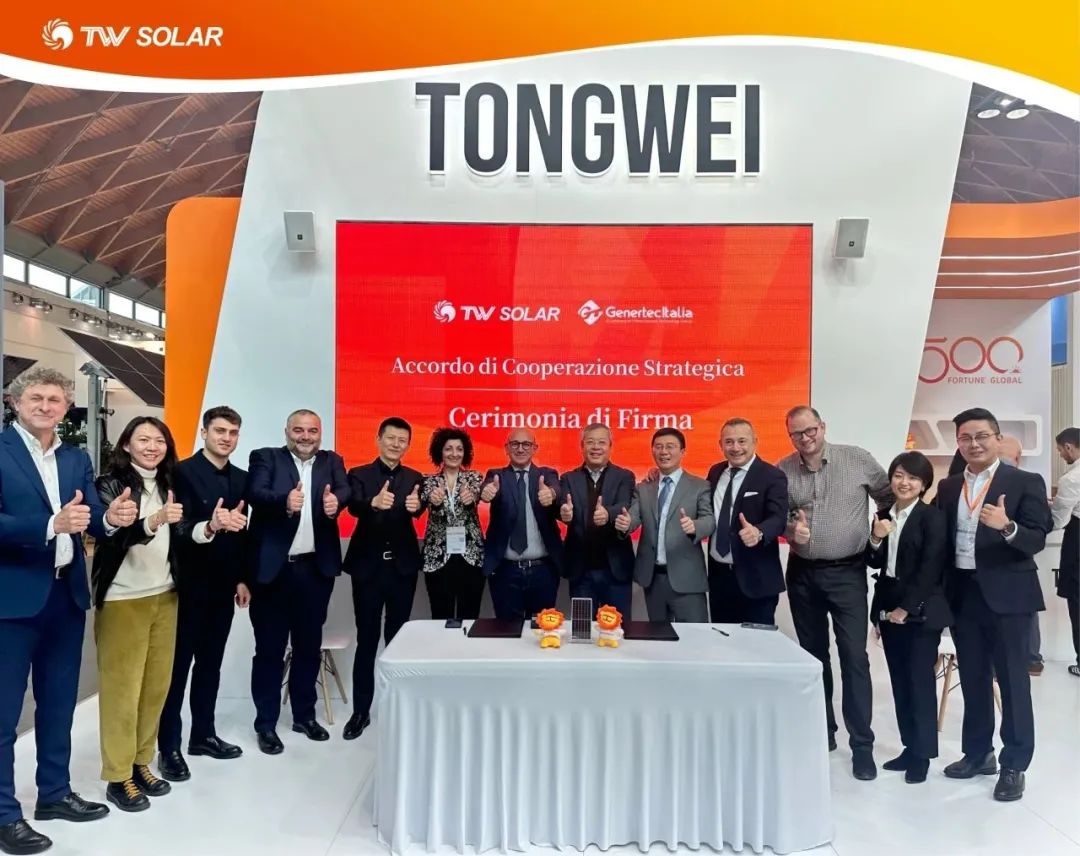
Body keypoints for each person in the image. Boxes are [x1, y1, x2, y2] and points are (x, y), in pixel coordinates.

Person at [0, 368, 135, 855]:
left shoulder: (75, 457)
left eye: (55, 399)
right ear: (15, 402)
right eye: (36, 397)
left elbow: (89, 518)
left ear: (65, 407)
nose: (46, 406)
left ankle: (54, 794)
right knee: (4, 713)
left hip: (66, 598)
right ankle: (4, 814)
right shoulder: (2, 450)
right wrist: (48, 525)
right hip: (12, 602)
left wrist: (111, 519)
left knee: (58, 705)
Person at [936, 407, 1052, 802]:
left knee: (1013, 682)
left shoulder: (1024, 482)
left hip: (1009, 597)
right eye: (966, 438)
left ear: (997, 439)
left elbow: (1036, 538)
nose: (974, 444)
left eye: (982, 436)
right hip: (963, 594)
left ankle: (1014, 764)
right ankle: (978, 753)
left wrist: (1007, 526)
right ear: (958, 443)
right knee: (973, 678)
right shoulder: (949, 487)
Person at [777, 405, 891, 781]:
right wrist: (790, 530)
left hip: (848, 574)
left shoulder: (856, 459)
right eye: (797, 434)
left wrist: (877, 534)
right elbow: (778, 516)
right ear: (790, 437)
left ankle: (862, 746)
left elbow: (888, 496)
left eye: (810, 430)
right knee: (814, 658)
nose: (805, 438)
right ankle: (822, 732)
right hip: (803, 573)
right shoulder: (783, 469)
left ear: (822, 426)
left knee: (854, 658)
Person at [92, 417, 184, 812]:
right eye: (142, 439)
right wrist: (153, 520)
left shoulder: (169, 483)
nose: (152, 446)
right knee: (122, 693)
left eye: (159, 440)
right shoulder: (110, 485)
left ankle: (140, 762)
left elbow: (180, 536)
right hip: (123, 600)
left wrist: (209, 527)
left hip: (165, 596)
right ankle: (118, 776)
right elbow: (117, 533)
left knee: (154, 689)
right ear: (127, 444)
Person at [246, 409, 349, 754]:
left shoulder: (332, 460)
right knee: (269, 651)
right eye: (299, 430)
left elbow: (345, 488)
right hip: (274, 573)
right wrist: (285, 502)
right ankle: (266, 724)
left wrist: (337, 501)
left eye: (312, 431)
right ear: (287, 431)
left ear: (321, 433)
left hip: (315, 571)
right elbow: (256, 493)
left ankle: (304, 716)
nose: (306, 437)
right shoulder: (266, 458)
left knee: (308, 648)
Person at [157, 406, 250, 782]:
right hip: (186, 586)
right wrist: (209, 526)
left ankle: (203, 736)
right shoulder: (179, 473)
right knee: (177, 669)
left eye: (233, 433)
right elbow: (176, 529)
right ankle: (169, 747)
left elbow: (243, 534)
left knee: (210, 665)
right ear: (204, 432)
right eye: (220, 431)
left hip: (224, 586)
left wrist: (242, 579)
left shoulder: (242, 479)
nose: (226, 438)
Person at [865, 451, 952, 784]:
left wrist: (907, 608)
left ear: (924, 484)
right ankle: (909, 747)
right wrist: (876, 536)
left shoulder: (932, 517)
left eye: (913, 478)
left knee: (919, 683)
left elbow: (931, 569)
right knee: (900, 682)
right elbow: (874, 562)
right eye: (899, 475)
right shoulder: (883, 515)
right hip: (888, 607)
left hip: (920, 612)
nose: (905, 482)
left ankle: (923, 755)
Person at [341, 417, 424, 741]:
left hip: (402, 569)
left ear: (408, 445)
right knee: (367, 640)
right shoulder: (359, 474)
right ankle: (361, 711)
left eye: (402, 440)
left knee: (398, 641)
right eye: (390, 438)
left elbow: (418, 509)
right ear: (378, 439)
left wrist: (417, 506)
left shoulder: (415, 477)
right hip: (368, 569)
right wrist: (373, 503)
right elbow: (353, 506)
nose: (396, 444)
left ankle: (399, 708)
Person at [615, 428, 714, 622]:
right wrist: (625, 524)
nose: (664, 452)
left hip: (687, 579)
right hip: (652, 578)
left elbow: (709, 519)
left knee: (695, 636)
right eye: (658, 447)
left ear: (682, 451)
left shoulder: (699, 486)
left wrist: (695, 526)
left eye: (670, 446)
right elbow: (633, 517)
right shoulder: (643, 488)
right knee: (658, 636)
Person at [704, 418, 788, 624]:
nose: (735, 448)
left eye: (742, 441)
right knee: (722, 640)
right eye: (729, 442)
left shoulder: (772, 475)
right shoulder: (715, 472)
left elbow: (778, 518)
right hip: (719, 578)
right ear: (721, 444)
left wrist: (759, 532)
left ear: (755, 442)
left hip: (757, 579)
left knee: (757, 642)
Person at [480, 428, 563, 621]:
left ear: (535, 448)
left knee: (542, 629)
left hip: (543, 571)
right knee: (508, 630)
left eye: (526, 444)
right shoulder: (496, 475)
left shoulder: (546, 474)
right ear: (506, 448)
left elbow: (556, 488)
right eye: (514, 444)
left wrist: (551, 494)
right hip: (505, 571)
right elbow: (488, 486)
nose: (520, 449)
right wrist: (486, 491)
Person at [558, 424, 635, 619]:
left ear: (610, 446)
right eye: (590, 442)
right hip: (581, 572)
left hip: (616, 570)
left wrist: (608, 514)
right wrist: (565, 514)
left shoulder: (624, 476)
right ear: (582, 446)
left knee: (617, 629)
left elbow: (625, 504)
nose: (595, 447)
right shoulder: (568, 478)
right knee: (582, 628)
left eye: (601, 442)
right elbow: (563, 506)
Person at [419, 427, 485, 620]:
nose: (454, 454)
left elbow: (474, 499)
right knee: (440, 616)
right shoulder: (428, 481)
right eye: (448, 448)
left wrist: (470, 500)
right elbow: (432, 510)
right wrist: (436, 503)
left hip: (471, 556)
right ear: (440, 451)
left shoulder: (474, 478)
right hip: (437, 557)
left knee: (469, 616)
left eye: (459, 449)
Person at [1050, 427, 1079, 677]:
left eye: (1061, 450)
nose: (1061, 455)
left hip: (1077, 543)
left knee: (1078, 604)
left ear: (1069, 447)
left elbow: (1058, 520)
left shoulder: (1071, 479)